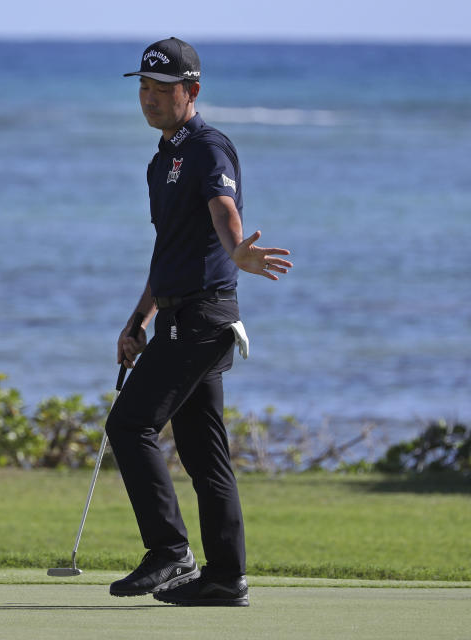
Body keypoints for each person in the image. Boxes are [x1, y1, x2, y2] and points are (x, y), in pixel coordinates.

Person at [105, 37, 292, 607]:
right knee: (205, 453)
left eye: (162, 88)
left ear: (192, 90)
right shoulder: (160, 160)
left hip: (205, 316)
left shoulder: (209, 148)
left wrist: (238, 251)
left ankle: (169, 552)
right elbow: (170, 254)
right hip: (182, 317)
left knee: (130, 425)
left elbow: (223, 212)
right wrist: (138, 318)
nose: (150, 98)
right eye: (143, 87)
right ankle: (224, 577)